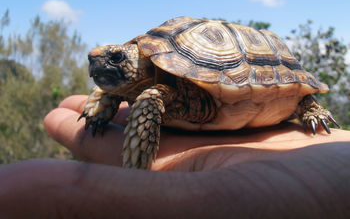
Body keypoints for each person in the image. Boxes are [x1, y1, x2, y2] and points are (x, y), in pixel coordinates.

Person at [0, 95, 349, 218]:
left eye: (117, 58)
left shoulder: (154, 91)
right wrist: (104, 103)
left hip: (268, 98)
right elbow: (113, 86)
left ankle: (308, 105)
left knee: (151, 97)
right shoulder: (135, 84)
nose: (100, 62)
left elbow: (149, 95)